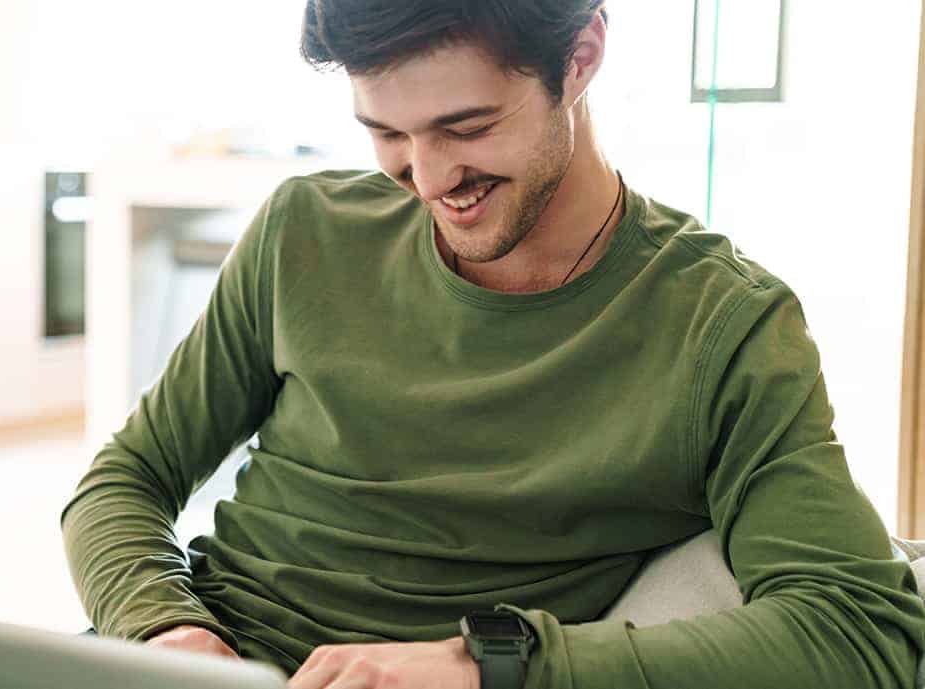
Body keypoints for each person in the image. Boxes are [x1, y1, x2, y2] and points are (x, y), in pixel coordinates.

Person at [61, 2, 925, 688]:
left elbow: (860, 626)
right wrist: (165, 631)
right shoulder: (304, 229)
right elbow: (126, 476)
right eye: (388, 134)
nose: (429, 180)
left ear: (580, 57)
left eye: (466, 127)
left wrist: (495, 663)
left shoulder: (722, 325)